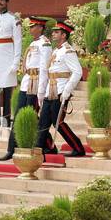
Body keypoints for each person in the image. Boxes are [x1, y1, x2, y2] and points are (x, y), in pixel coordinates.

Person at [4, 16, 51, 160]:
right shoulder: (33, 42)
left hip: (36, 84)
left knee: (31, 116)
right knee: (18, 115)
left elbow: (44, 68)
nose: (30, 29)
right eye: (30, 26)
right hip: (27, 82)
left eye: (33, 26)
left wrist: (42, 91)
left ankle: (47, 145)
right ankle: (11, 149)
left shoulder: (45, 44)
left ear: (41, 27)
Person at [37, 21, 85, 157]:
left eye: (56, 32)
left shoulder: (68, 51)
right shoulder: (56, 50)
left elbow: (77, 72)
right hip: (50, 90)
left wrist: (67, 91)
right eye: (53, 32)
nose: (53, 34)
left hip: (60, 90)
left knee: (57, 122)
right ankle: (41, 150)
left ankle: (78, 147)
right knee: (43, 121)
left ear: (64, 35)